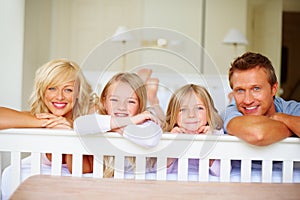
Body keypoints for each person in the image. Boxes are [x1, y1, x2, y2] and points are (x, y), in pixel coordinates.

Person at [0, 59, 97, 174]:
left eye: (68, 90)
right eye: (52, 88)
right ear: (42, 91)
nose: (59, 97)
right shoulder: (40, 116)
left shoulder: (90, 115)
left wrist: (73, 130)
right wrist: (46, 122)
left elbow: (82, 171)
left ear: (78, 93)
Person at [74, 72, 163, 177]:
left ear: (140, 106)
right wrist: (130, 121)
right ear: (104, 102)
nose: (121, 107)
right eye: (114, 100)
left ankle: (153, 99)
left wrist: (113, 128)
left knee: (161, 117)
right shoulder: (100, 118)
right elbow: (78, 125)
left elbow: (150, 139)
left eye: (130, 101)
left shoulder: (145, 120)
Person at [223, 52, 300, 146]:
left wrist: (280, 117)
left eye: (256, 89)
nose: (248, 100)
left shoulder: (291, 108)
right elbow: (258, 134)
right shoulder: (232, 111)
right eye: (240, 90)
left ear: (274, 89)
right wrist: (293, 128)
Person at [158, 84, 224, 176]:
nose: (191, 115)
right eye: (183, 109)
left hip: (205, 187)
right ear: (173, 114)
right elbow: (158, 170)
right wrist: (171, 145)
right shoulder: (167, 136)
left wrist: (208, 143)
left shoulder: (216, 135)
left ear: (209, 112)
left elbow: (222, 172)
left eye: (199, 108)